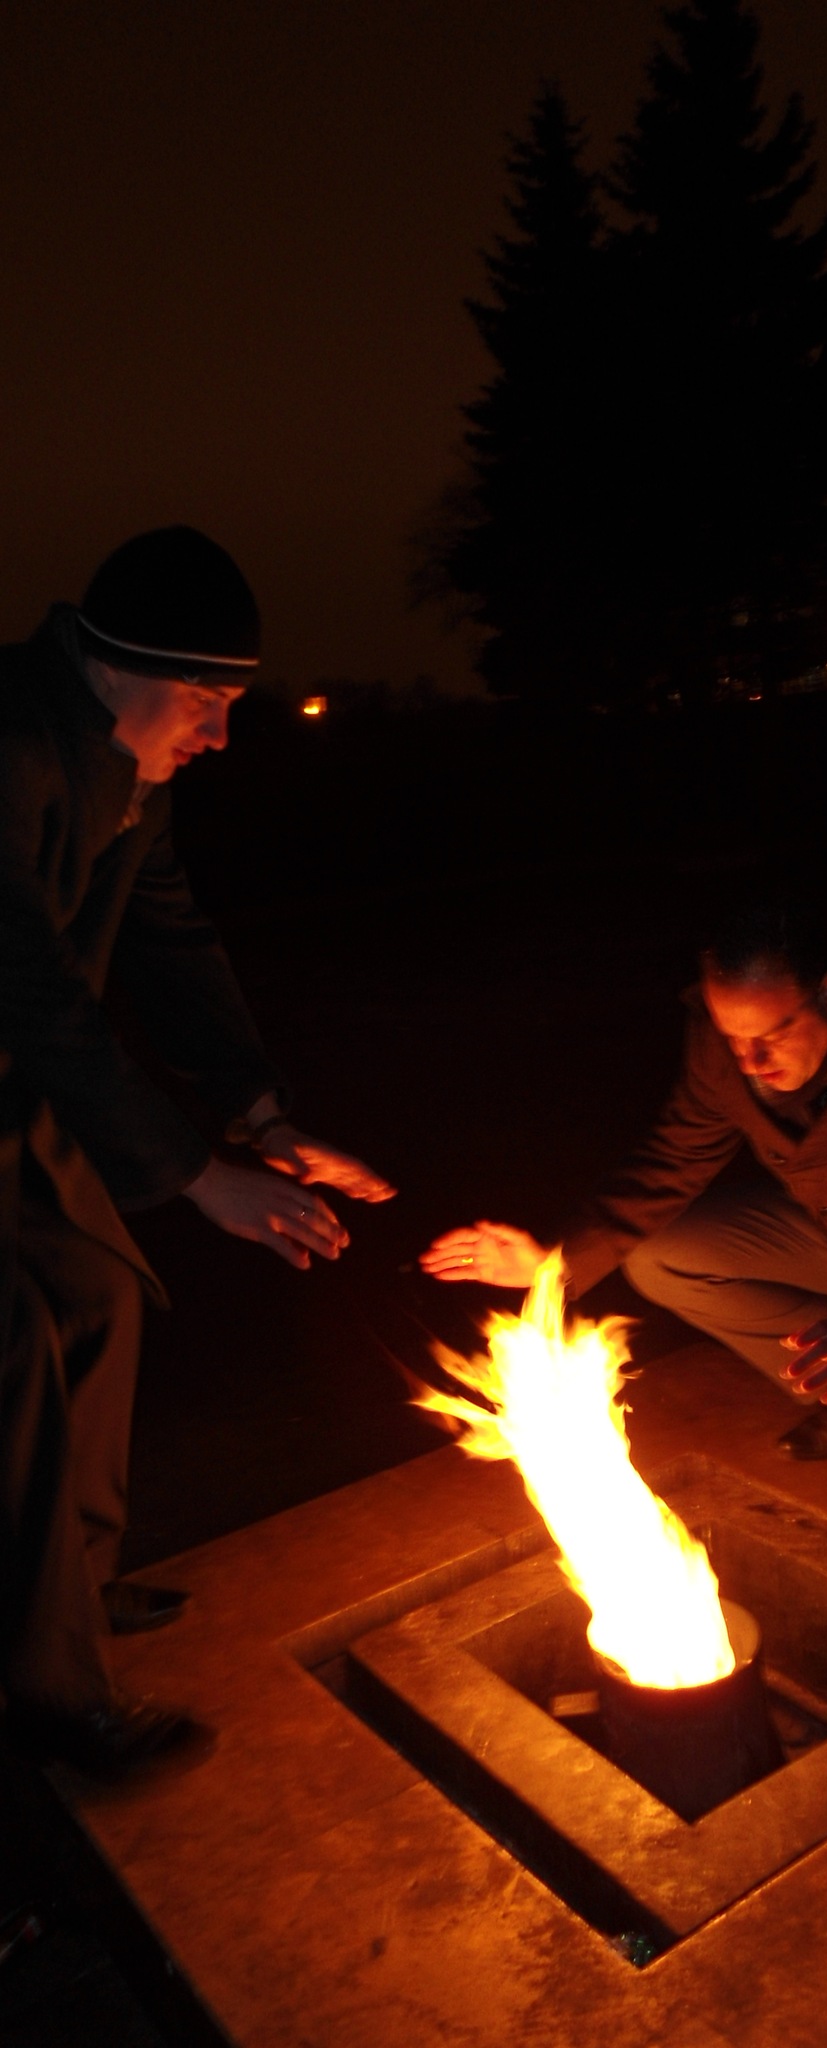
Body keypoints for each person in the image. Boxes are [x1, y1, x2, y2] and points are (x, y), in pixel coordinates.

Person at [1, 526, 393, 1775]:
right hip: (18, 1048)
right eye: (205, 700)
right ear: (118, 663)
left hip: (16, 1082)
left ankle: (71, 1588)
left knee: (100, 1293)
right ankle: (48, 1693)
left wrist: (260, 1115)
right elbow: (29, 987)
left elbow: (169, 940)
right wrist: (194, 1173)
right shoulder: (10, 748)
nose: (221, 734)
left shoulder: (132, 770)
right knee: (15, 1347)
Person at [421, 900, 827, 1512]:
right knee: (661, 1259)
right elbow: (674, 1156)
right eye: (732, 1038)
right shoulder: (728, 1041)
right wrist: (555, 1263)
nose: (749, 1060)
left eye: (771, 1034)